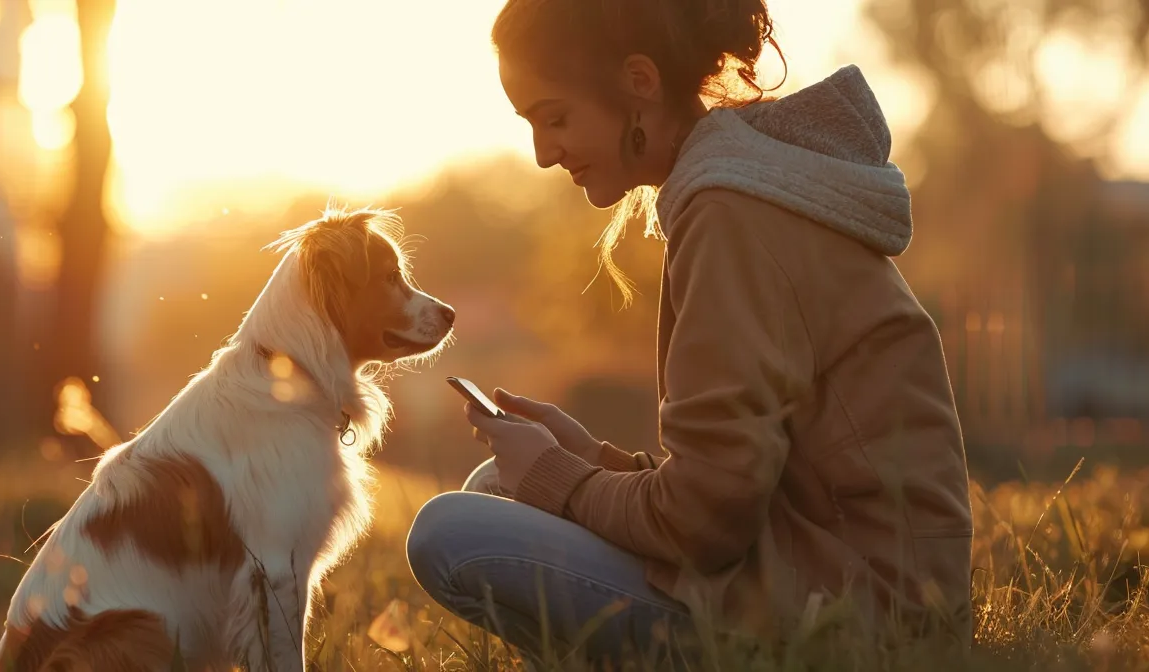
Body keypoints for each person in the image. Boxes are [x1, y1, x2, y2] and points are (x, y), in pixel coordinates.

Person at [404, 0, 975, 663]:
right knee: (497, 489)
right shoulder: (740, 192)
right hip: (832, 579)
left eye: (555, 118)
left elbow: (705, 524)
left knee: (450, 533)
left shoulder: (730, 216)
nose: (541, 154)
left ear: (640, 83)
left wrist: (563, 479)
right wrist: (589, 460)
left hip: (862, 624)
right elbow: (738, 487)